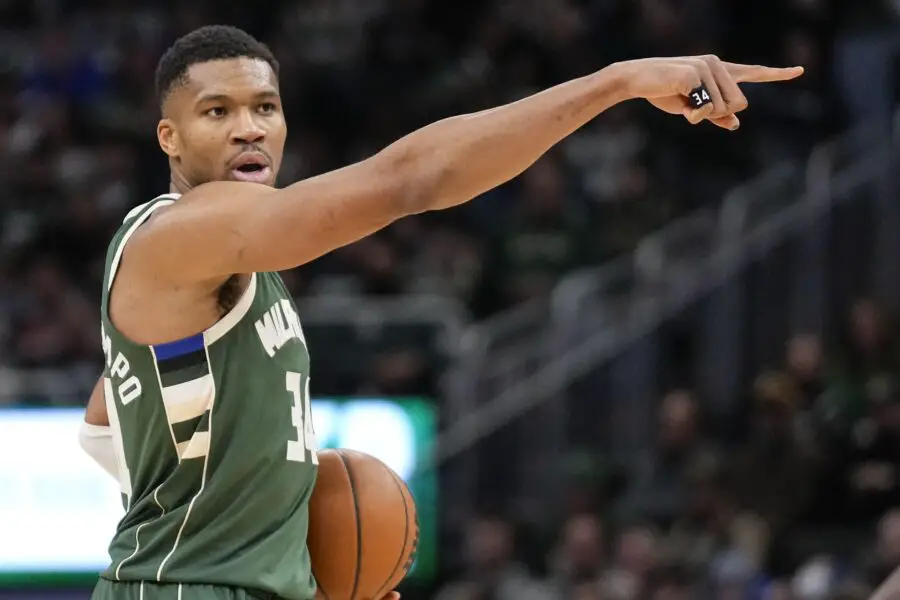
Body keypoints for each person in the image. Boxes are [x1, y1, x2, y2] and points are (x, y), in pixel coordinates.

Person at [76, 24, 802, 600]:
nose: (250, 129)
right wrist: (616, 83)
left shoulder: (215, 266)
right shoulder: (180, 234)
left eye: (265, 107)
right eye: (217, 112)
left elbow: (109, 420)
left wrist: (284, 551)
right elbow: (409, 181)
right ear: (169, 139)